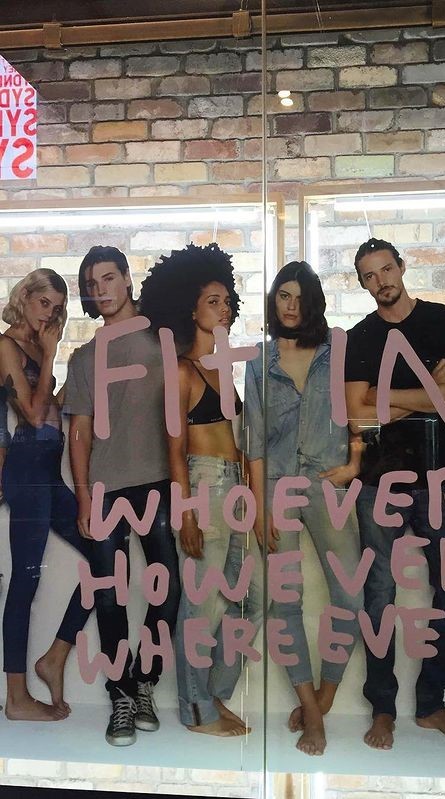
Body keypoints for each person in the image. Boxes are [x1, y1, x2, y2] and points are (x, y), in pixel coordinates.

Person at [139, 242, 263, 738]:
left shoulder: (223, 368)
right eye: (213, 301)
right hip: (204, 487)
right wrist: (186, 513)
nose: (224, 308)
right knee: (201, 605)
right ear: (190, 310)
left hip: (234, 488)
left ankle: (213, 693)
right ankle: (195, 709)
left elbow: (239, 438)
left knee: (249, 599)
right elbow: (175, 451)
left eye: (227, 300)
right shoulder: (181, 370)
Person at [244, 261, 363, 756]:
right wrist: (257, 508)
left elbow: (360, 410)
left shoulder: (337, 351)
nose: (290, 306)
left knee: (350, 593)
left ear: (312, 302)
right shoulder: (259, 362)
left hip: (327, 479)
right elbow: (253, 441)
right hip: (275, 486)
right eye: (283, 296)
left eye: (299, 297)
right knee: (283, 601)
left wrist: (354, 463)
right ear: (273, 301)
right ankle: (310, 709)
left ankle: (326, 694)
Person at [65, 245, 180, 746]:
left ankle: (144, 682)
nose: (101, 290)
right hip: (106, 489)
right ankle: (121, 697)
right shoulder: (85, 357)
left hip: (158, 481)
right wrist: (84, 500)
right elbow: (79, 433)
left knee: (168, 590)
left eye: (108, 278)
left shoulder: (163, 338)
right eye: (92, 284)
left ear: (128, 279)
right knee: (110, 596)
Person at [345, 237, 445, 750]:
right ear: (362, 283)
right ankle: (382, 708)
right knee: (378, 593)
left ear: (402, 267)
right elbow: (356, 416)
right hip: (378, 479)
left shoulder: (440, 321)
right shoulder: (360, 338)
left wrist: (384, 400)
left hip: (437, 474)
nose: (381, 280)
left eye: (386, 269)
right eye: (370, 275)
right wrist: (430, 391)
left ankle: (430, 704)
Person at [0, 268, 92, 722]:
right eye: (43, 304)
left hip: (49, 475)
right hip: (26, 472)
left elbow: (51, 409)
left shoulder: (38, 348)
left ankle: (54, 657)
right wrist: (53, 354)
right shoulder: (6, 346)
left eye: (56, 309)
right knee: (25, 581)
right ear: (25, 297)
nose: (49, 315)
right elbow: (34, 417)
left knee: (106, 559)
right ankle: (17, 698)